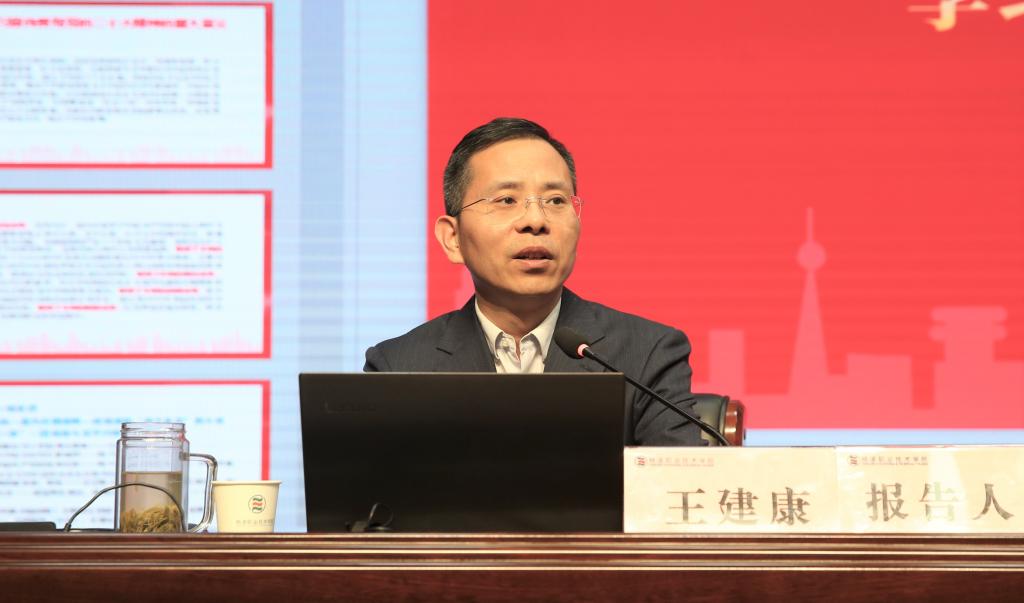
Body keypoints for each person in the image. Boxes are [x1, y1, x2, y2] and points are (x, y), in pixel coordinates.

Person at [364, 117, 702, 446]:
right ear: (453, 238)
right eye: (506, 200)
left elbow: (681, 481)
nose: (536, 220)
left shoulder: (648, 354)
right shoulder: (398, 367)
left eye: (555, 201)